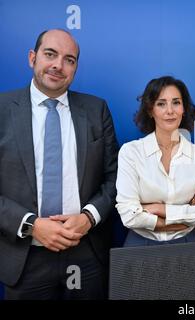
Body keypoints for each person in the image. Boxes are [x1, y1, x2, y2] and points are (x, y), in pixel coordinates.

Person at [0, 29, 119, 299]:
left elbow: (114, 177)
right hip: (24, 256)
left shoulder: (96, 109)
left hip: (85, 253)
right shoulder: (2, 110)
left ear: (75, 68)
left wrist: (89, 217)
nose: (58, 65)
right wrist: (32, 225)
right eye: (50, 54)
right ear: (33, 58)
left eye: (69, 59)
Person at [116, 76, 195, 247]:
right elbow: (129, 215)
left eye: (176, 102)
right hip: (140, 244)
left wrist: (159, 209)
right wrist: (184, 218)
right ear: (150, 110)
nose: (170, 110)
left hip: (188, 245)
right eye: (161, 103)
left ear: (184, 109)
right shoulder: (131, 152)